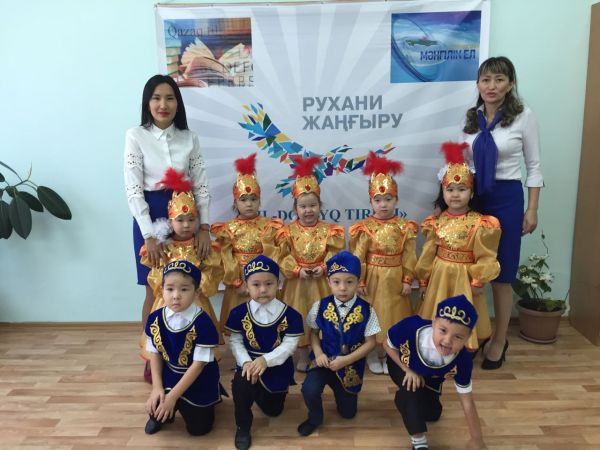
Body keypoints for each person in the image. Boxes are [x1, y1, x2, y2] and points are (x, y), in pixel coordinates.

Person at [124, 74, 212, 373]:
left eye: (170, 98)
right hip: (150, 214)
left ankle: (189, 353)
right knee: (155, 289)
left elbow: (201, 185)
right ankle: (152, 357)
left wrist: (204, 227)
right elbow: (133, 189)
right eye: (156, 98)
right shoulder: (135, 136)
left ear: (178, 103)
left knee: (188, 285)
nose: (163, 104)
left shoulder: (190, 138)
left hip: (186, 216)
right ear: (147, 103)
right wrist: (149, 234)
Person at [460, 56, 543, 369]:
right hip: (475, 199)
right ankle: (472, 335)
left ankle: (498, 339)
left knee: (502, 275)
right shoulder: (472, 119)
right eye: (485, 80)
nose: (491, 86)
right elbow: (463, 164)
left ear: (510, 84)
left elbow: (534, 166)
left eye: (498, 79)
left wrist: (532, 209)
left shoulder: (522, 116)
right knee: (471, 272)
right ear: (478, 84)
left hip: (507, 198)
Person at [415, 142, 500, 352]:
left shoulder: (481, 223)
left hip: (465, 279)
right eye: (450, 189)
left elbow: (486, 255)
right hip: (440, 277)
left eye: (462, 189)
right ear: (442, 192)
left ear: (471, 193)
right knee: (438, 314)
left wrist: (478, 280)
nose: (455, 194)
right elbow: (428, 253)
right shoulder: (436, 221)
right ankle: (436, 348)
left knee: (463, 314)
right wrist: (423, 279)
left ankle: (463, 350)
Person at [139, 169, 222, 373]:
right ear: (170, 222)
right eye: (180, 219)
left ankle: (198, 363)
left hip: (197, 299)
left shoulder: (202, 246)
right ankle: (162, 362)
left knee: (197, 334)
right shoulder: (164, 247)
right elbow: (155, 275)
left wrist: (199, 285)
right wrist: (167, 287)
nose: (186, 225)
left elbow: (212, 271)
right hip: (167, 301)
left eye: (191, 219)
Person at [384, 294, 487, 450]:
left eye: (458, 336)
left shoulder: (463, 360)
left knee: (431, 414)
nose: (447, 341)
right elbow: (387, 345)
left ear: (468, 337)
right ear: (433, 322)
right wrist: (407, 369)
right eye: (443, 330)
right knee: (410, 390)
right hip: (402, 364)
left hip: (430, 376)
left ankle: (413, 398)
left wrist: (477, 439)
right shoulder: (410, 327)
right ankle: (418, 440)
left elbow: (467, 401)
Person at [224, 255, 304, 450]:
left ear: (278, 284)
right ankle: (243, 426)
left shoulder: (291, 315)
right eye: (256, 284)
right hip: (248, 365)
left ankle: (261, 392)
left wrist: (265, 360)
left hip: (277, 367)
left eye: (269, 284)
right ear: (246, 286)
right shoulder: (238, 313)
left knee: (274, 411)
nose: (262, 290)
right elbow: (235, 341)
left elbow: (289, 346)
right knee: (241, 385)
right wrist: (246, 362)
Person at [297, 251, 380, 437]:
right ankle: (314, 418)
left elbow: (371, 343)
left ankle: (342, 394)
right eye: (336, 282)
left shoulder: (367, 310)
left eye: (349, 282)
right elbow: (314, 333)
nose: (343, 288)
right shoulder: (320, 306)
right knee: (309, 390)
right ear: (329, 282)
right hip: (323, 361)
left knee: (348, 413)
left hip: (350, 366)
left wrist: (346, 360)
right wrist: (318, 353)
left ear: (358, 282)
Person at [349, 151, 417, 374]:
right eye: (378, 200)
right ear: (370, 201)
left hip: (395, 279)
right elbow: (358, 256)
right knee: (372, 315)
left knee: (394, 316)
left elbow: (409, 255)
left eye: (388, 199)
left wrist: (407, 279)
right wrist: (359, 281)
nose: (383, 205)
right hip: (372, 281)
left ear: (396, 200)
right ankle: (370, 353)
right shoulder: (365, 228)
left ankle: (390, 354)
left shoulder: (404, 227)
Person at [275, 156, 345, 371]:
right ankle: (304, 356)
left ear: (320, 206)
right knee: (301, 315)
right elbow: (282, 256)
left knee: (323, 315)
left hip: (322, 283)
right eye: (303, 206)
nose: (308, 210)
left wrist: (324, 267)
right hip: (297, 285)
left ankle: (323, 352)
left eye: (313, 205)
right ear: (295, 207)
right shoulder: (287, 232)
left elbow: (335, 253)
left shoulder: (329, 230)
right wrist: (297, 270)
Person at [143, 260, 222, 437]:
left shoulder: (203, 322)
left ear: (196, 292)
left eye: (184, 289)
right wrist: (157, 388)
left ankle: (199, 403)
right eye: (170, 289)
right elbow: (155, 353)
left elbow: (199, 365)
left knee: (199, 429)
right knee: (157, 404)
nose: (176, 296)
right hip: (171, 374)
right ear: (161, 290)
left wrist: (172, 397)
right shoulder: (155, 318)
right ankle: (164, 409)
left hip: (198, 378)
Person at [211, 153, 283, 334]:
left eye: (253, 199)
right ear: (235, 202)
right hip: (239, 282)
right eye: (243, 200)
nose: (249, 204)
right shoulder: (228, 229)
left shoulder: (269, 226)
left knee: (265, 322)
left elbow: (273, 255)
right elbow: (226, 258)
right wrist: (237, 282)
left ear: (259, 200)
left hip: (263, 280)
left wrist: (264, 281)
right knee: (239, 325)